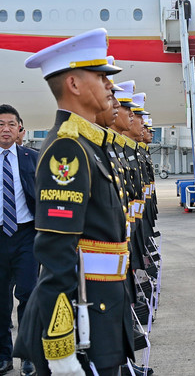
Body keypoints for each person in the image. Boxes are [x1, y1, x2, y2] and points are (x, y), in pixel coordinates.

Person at [14, 28, 134, 375]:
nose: (110, 85)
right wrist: (61, 345)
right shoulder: (67, 148)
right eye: (101, 76)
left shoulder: (88, 144)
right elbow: (55, 249)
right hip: (82, 318)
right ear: (74, 85)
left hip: (101, 306)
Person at [0, 105, 38, 376]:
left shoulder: (32, 157)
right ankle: (3, 356)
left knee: (28, 296)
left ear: (20, 128)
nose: (6, 129)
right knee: (0, 302)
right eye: (1, 124)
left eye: (11, 124)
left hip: (26, 236)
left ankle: (27, 355)